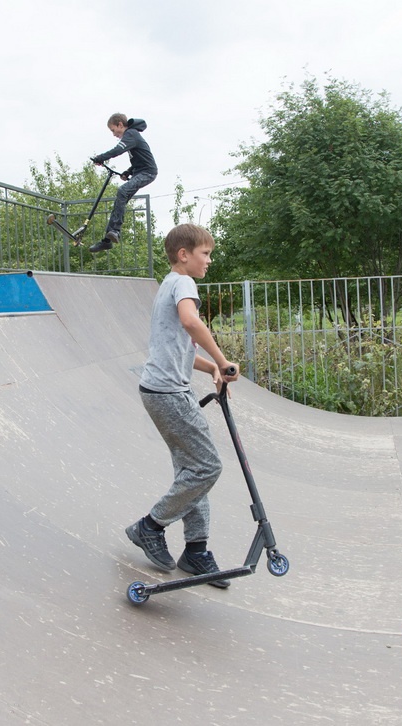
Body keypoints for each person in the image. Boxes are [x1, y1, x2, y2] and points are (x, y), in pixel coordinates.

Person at [126, 223, 240, 588]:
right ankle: (151, 525)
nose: (209, 261)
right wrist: (223, 361)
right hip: (169, 394)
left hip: (162, 390)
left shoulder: (168, 286)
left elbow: (178, 350)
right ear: (183, 255)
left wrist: (210, 369)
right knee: (207, 467)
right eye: (205, 254)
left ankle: (196, 550)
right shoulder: (183, 284)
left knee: (191, 472)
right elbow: (192, 323)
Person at [88, 114, 157, 253]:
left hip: (147, 172)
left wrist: (100, 158)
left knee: (122, 191)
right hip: (139, 172)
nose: (114, 134)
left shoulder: (131, 133)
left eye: (114, 130)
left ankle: (115, 231)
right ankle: (107, 241)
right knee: (121, 200)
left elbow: (118, 150)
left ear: (120, 125)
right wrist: (128, 172)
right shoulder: (133, 137)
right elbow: (140, 160)